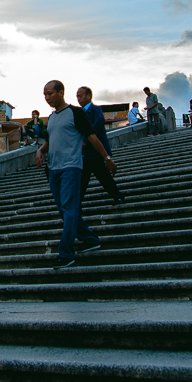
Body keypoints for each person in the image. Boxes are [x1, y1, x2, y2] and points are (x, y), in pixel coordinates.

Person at [35, 80, 113, 269]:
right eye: (45, 94)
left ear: (61, 92)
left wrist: (107, 158)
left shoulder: (76, 113)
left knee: (69, 209)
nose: (47, 98)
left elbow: (92, 137)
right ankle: (91, 239)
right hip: (53, 169)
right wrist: (40, 151)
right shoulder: (52, 118)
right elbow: (49, 141)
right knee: (64, 211)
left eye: (50, 93)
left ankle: (66, 253)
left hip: (71, 168)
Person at [75, 86, 123, 207]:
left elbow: (97, 126)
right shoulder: (78, 113)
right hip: (86, 153)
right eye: (77, 97)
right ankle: (76, 205)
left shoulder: (96, 110)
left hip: (96, 150)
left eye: (80, 96)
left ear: (88, 96)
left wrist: (85, 140)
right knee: (83, 180)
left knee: (102, 177)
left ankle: (118, 197)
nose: (78, 99)